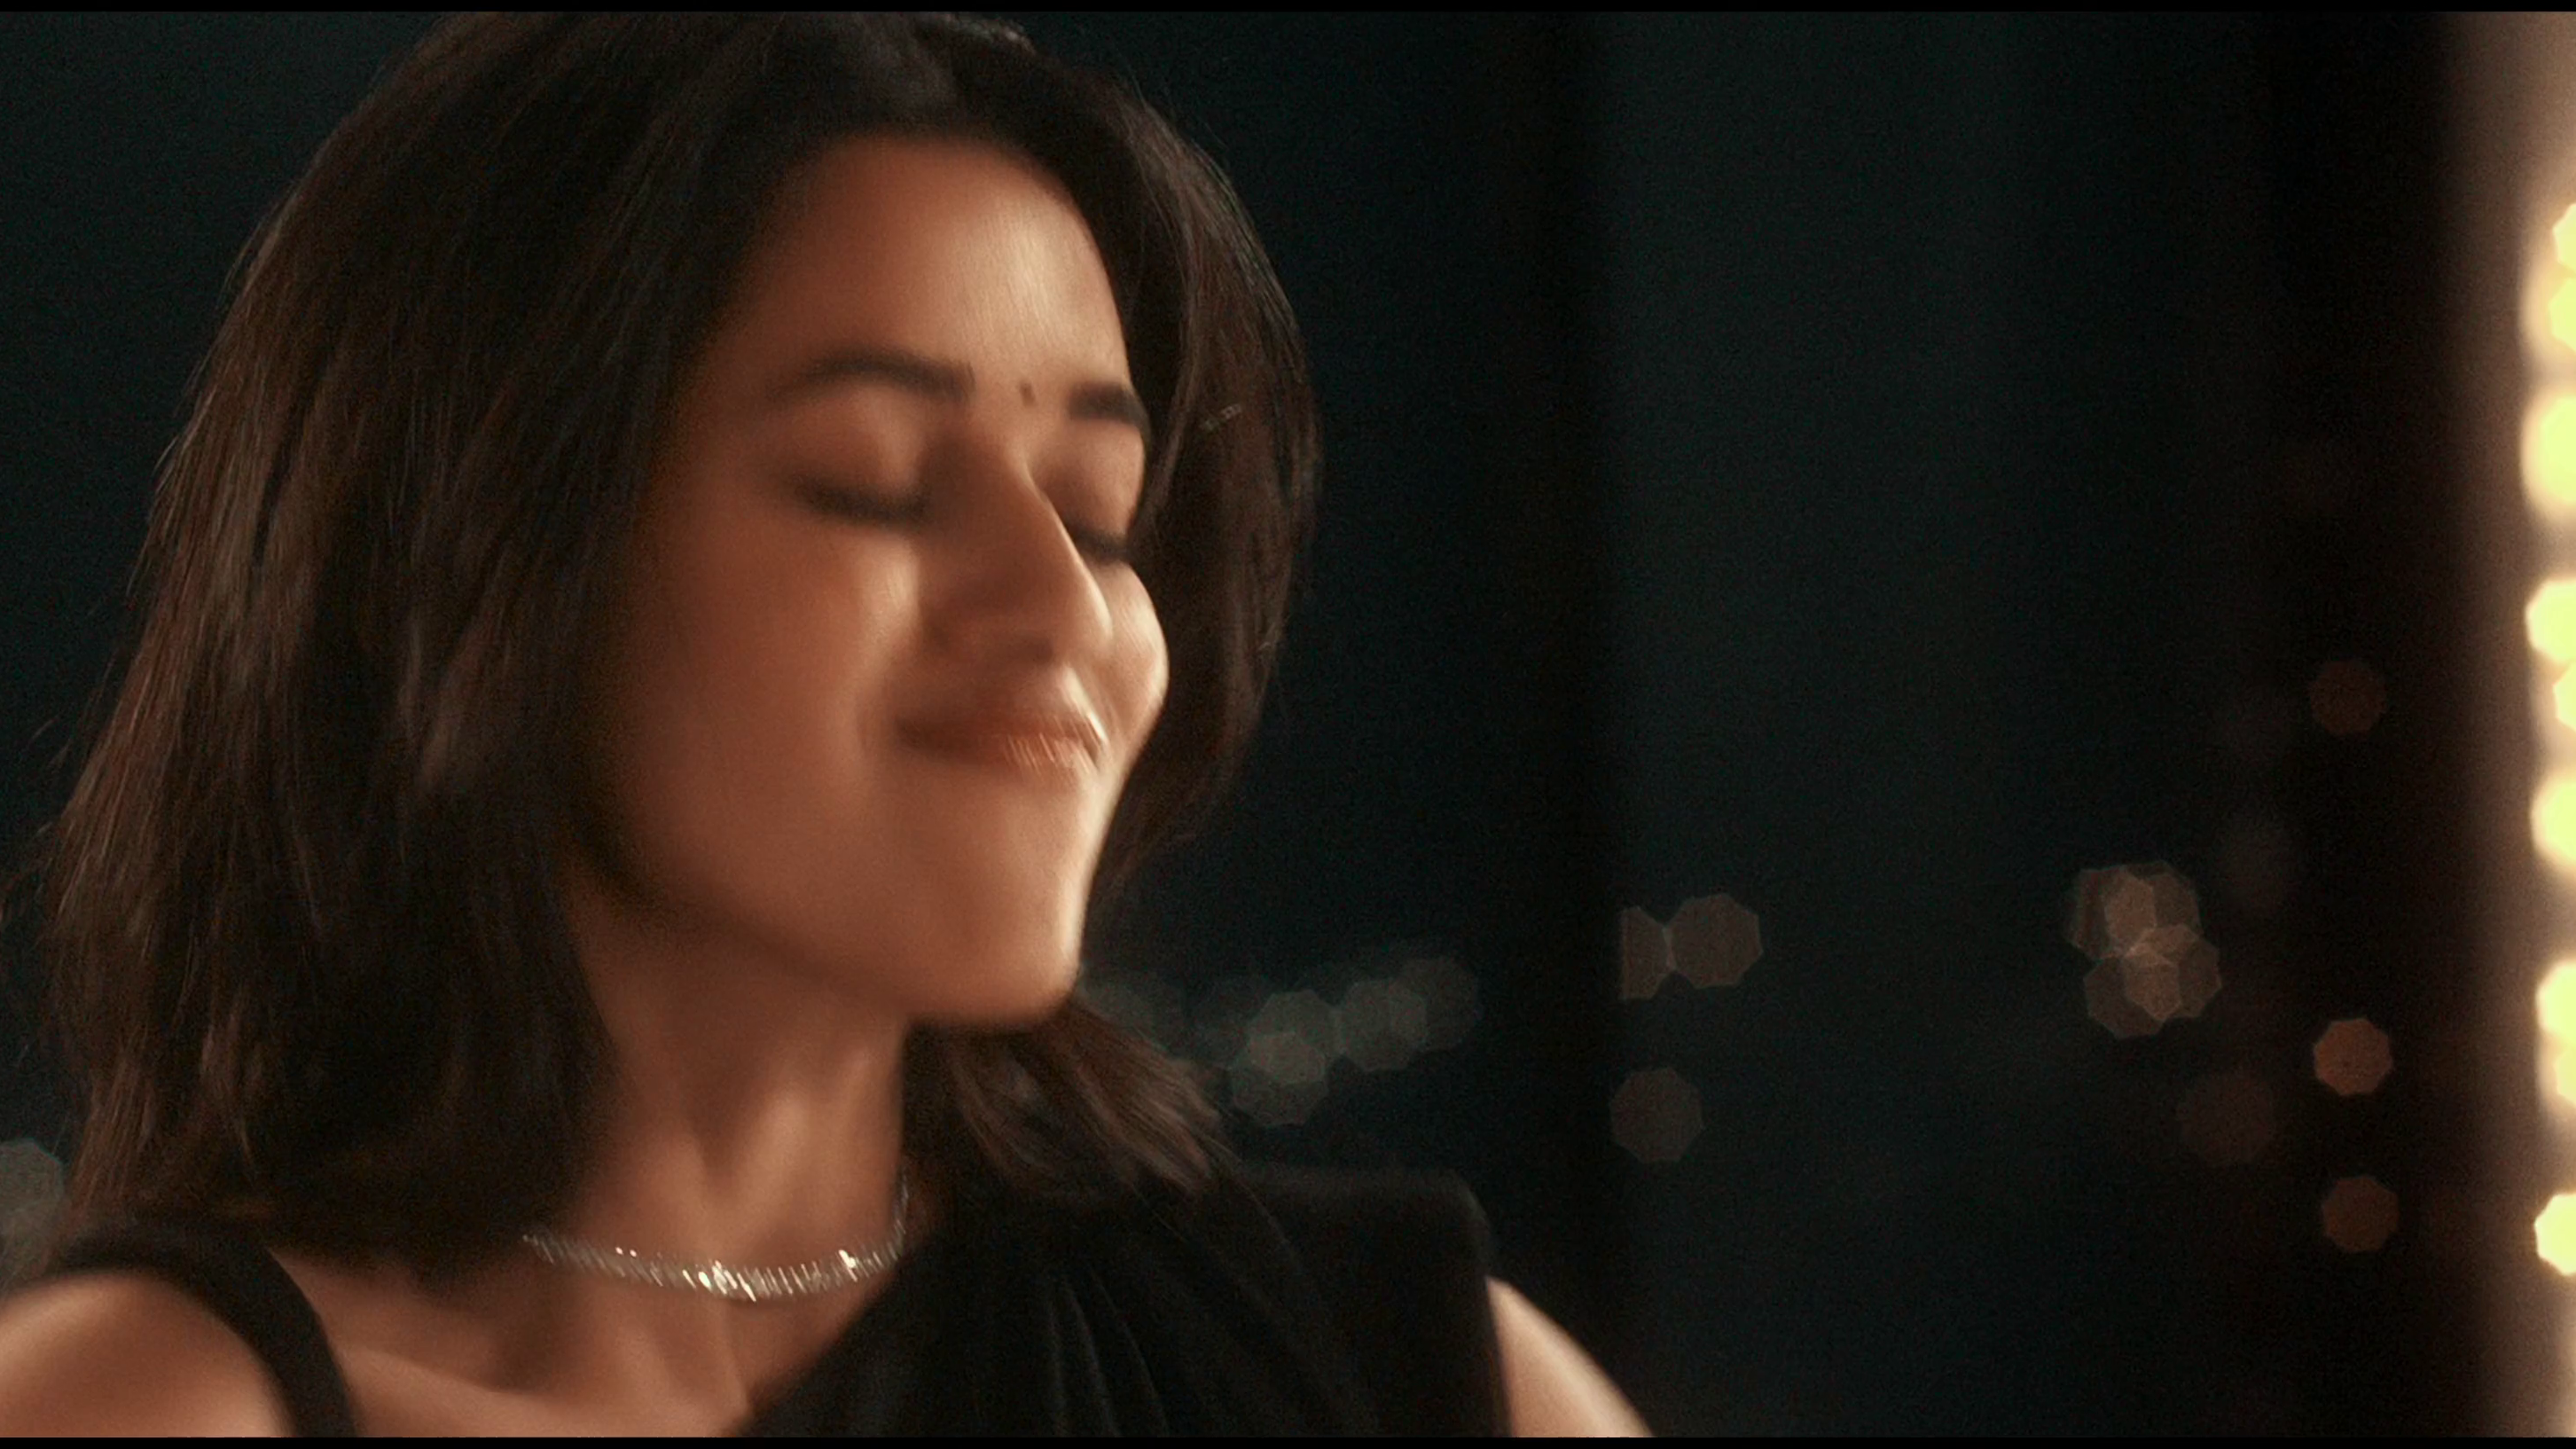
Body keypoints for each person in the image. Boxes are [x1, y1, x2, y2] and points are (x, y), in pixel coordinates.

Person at [0, 12, 1643, 1437]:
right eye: (877, 482)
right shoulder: (146, 1404)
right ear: (481, 555)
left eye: (1097, 512)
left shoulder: (1414, 1377)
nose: (1065, 607)